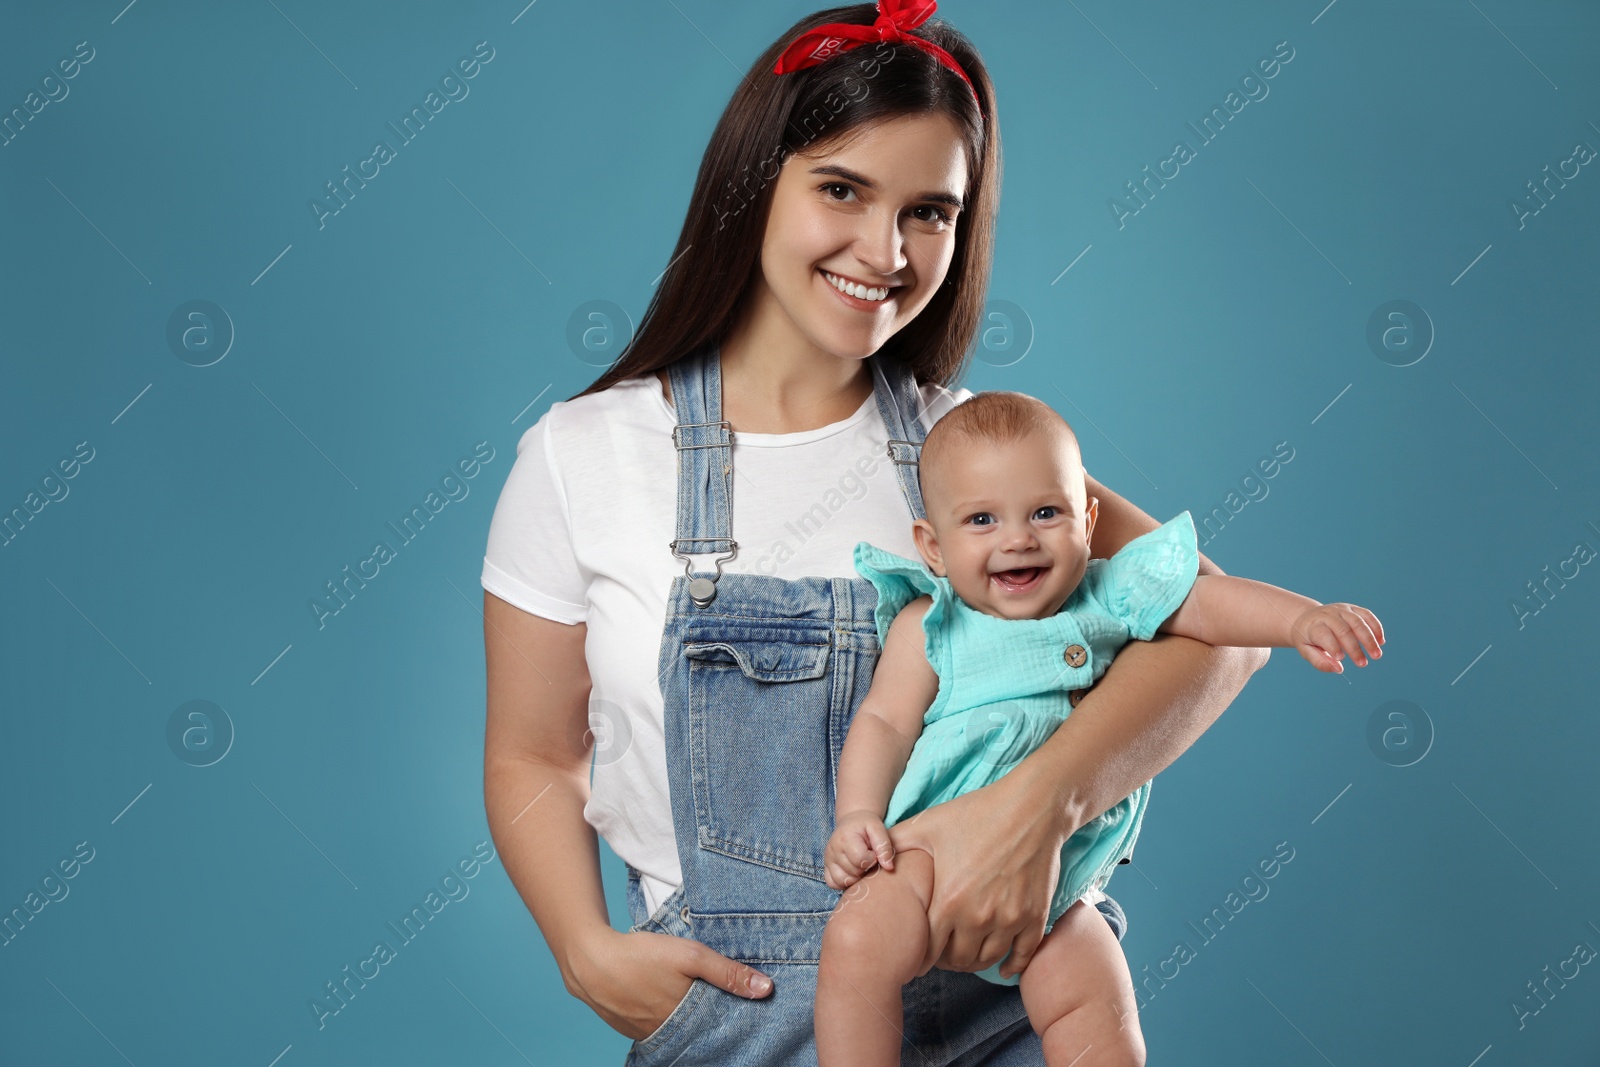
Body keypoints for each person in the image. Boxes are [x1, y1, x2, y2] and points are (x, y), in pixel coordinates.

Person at [479, 2, 1271, 1063]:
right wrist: (582, 946)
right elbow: (533, 749)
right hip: (745, 1017)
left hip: (1006, 999)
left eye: (930, 212)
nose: (885, 251)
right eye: (842, 189)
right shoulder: (585, 455)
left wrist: (1037, 809)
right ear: (756, 179)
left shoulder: (972, 454)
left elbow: (1220, 630)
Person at [814, 392, 1385, 1066]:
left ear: (1088, 520)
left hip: (1063, 889)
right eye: (981, 519)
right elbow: (883, 722)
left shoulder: (1111, 593)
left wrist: (1300, 620)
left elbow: (1205, 602)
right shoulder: (931, 625)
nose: (1018, 537)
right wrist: (857, 815)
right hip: (926, 860)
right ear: (932, 547)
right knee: (856, 942)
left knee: (1097, 1000)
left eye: (1046, 512)